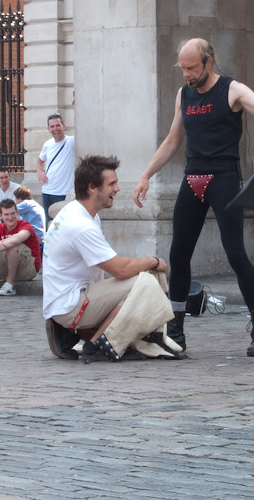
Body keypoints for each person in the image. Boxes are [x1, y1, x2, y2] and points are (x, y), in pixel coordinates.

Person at [133, 38, 254, 357]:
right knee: (179, 255)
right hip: (193, 177)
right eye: (182, 68)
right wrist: (146, 175)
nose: (185, 74)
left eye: (191, 68)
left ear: (208, 62)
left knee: (236, 253)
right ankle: (176, 332)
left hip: (223, 178)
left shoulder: (232, 90)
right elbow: (173, 141)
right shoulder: (183, 94)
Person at [44, 155, 184, 362]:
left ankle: (81, 334)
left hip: (67, 300)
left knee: (134, 287)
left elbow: (107, 270)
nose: (118, 189)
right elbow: (120, 269)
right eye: (112, 184)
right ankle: (99, 343)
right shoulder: (80, 225)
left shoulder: (79, 213)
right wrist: (153, 261)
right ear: (92, 187)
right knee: (145, 282)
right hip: (70, 305)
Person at [37, 112, 76, 225]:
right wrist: (40, 172)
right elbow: (40, 161)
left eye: (58, 125)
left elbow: (84, 127)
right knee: (48, 226)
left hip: (63, 193)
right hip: (47, 191)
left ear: (63, 126)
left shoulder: (71, 141)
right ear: (48, 129)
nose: (55, 129)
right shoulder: (47, 144)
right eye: (52, 126)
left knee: (62, 226)